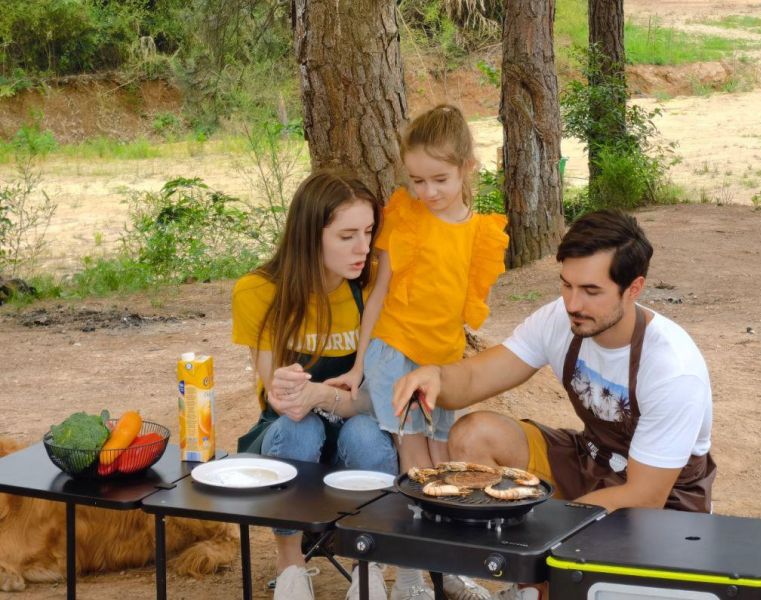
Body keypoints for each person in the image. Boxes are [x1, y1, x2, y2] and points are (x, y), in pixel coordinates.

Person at [391, 209, 716, 600]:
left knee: (579, 571)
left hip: (663, 504)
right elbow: (476, 377)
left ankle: (544, 582)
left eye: (591, 291)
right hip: (590, 459)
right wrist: (437, 377)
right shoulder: (561, 320)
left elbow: (644, 495)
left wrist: (546, 530)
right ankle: (529, 587)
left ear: (634, 288)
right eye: (566, 285)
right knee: (475, 434)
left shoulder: (671, 369)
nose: (572, 303)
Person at [328, 104, 509, 600]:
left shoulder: (480, 231)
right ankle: (410, 572)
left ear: (468, 168)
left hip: (444, 363)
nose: (426, 192)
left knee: (447, 461)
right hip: (396, 351)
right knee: (414, 460)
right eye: (416, 180)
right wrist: (361, 364)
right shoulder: (405, 214)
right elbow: (379, 293)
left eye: (439, 179)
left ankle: (447, 566)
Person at [232, 171, 398, 600]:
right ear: (310, 235)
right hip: (288, 431)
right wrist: (284, 388)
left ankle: (369, 565)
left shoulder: (372, 289)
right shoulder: (258, 291)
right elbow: (274, 394)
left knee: (365, 433)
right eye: (347, 236)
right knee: (299, 427)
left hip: (357, 422)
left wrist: (324, 394)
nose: (363, 248)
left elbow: (377, 401)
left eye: (367, 232)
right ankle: (291, 567)